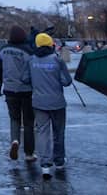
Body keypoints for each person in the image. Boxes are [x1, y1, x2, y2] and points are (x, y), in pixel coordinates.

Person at [26, 32, 72, 181]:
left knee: (42, 133)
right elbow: (66, 81)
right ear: (50, 44)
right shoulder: (57, 60)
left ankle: (45, 164)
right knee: (59, 132)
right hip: (57, 102)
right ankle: (59, 161)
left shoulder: (31, 60)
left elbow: (25, 78)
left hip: (39, 103)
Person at [0, 25, 36, 162]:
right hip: (26, 90)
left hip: (9, 90)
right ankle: (29, 153)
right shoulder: (28, 51)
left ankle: (15, 140)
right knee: (29, 122)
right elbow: (33, 71)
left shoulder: (3, 50)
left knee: (14, 119)